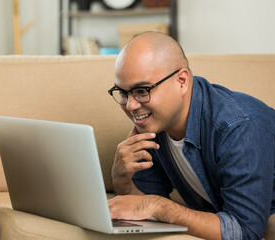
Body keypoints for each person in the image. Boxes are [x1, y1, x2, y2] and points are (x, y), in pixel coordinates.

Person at [107, 31, 275, 240]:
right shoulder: (154, 126)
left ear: (182, 81)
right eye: (123, 93)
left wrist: (158, 207)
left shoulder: (238, 126)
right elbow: (142, 208)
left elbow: (244, 231)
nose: (131, 105)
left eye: (142, 90)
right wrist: (121, 180)